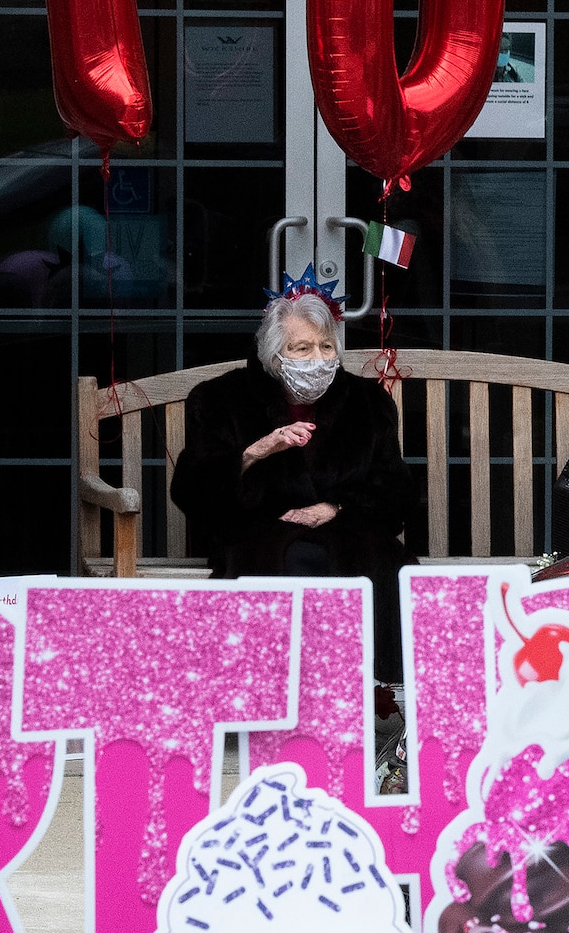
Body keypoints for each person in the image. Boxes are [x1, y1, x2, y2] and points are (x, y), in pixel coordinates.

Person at [170, 268, 413, 682]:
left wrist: (334, 507)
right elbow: (192, 492)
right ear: (273, 354)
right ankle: (278, 695)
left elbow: (396, 493)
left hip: (350, 531)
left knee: (374, 563)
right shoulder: (220, 399)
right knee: (290, 560)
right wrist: (259, 450)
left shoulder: (367, 402)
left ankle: (351, 691)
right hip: (260, 533)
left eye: (325, 346)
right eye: (301, 348)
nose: (317, 359)